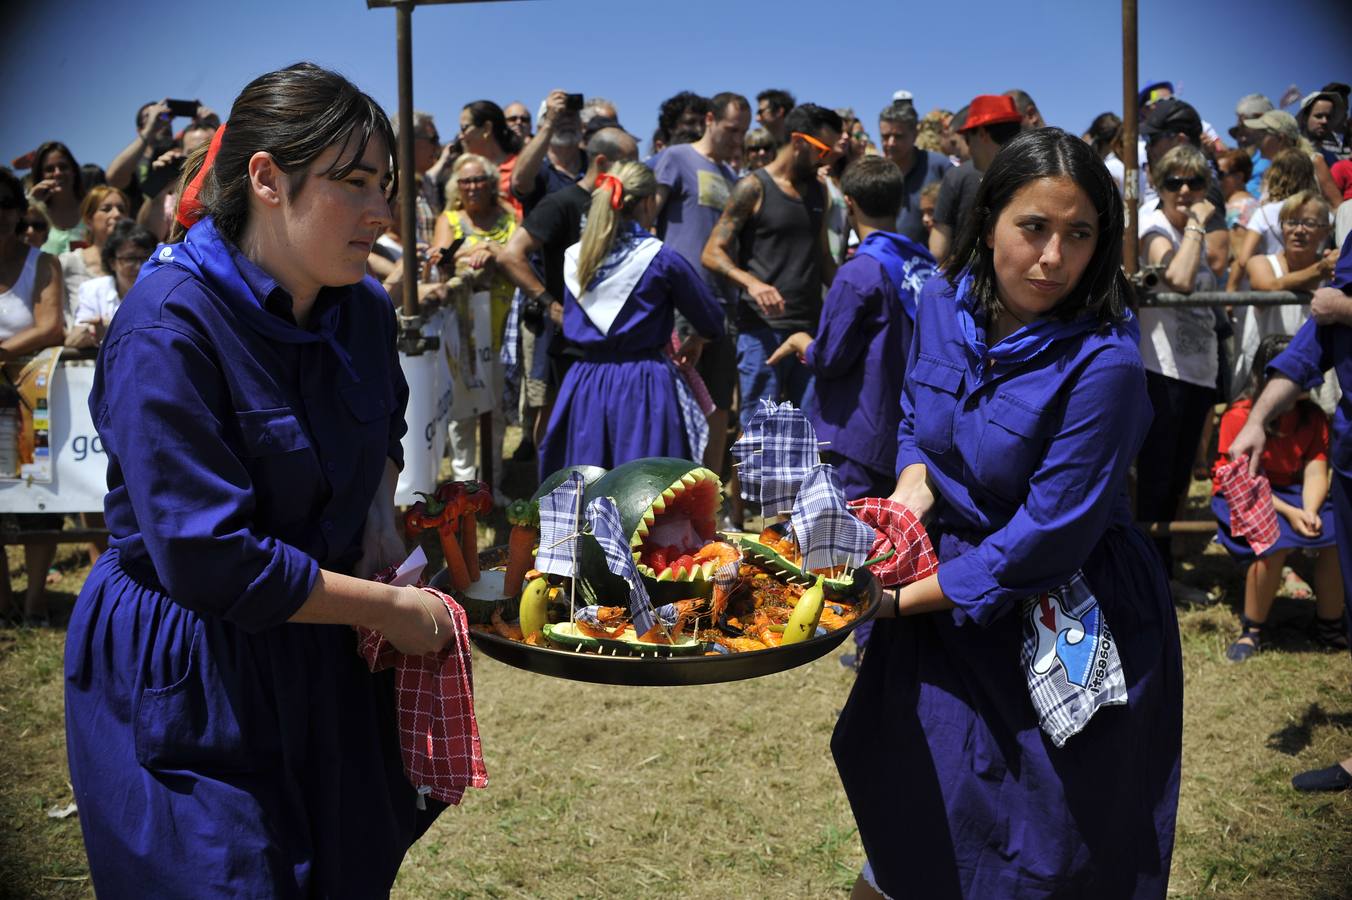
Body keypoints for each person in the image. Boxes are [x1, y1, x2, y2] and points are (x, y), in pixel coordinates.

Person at [63, 63, 467, 895]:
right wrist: (392, 608)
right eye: (352, 183)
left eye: (386, 185)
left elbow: (378, 435)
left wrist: (385, 531)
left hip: (322, 654)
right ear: (266, 180)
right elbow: (208, 558)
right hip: (193, 669)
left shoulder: (360, 309)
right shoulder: (169, 326)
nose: (382, 211)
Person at [833, 127, 1181, 897]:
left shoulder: (1107, 364)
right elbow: (917, 426)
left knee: (1035, 847)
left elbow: (1044, 539)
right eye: (1033, 228)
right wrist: (904, 503)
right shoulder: (939, 303)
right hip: (938, 606)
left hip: (1062, 606)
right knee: (911, 813)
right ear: (988, 221)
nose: (1053, 258)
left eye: (1080, 234)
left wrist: (890, 601)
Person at [1229, 227, 1352, 792]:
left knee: (1315, 537)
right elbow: (1315, 342)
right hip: (1340, 466)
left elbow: (1333, 313)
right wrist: (1258, 418)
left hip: (1323, 483)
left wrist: (1344, 306)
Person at [767, 156, 935, 500]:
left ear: (849, 203)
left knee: (852, 539)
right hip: (913, 433)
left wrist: (802, 342)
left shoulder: (858, 273)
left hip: (862, 433)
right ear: (901, 201)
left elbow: (830, 357)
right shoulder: (925, 266)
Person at [538, 161, 724, 473]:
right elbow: (711, 319)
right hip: (644, 383)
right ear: (649, 202)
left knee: (588, 480)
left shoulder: (578, 257)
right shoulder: (660, 258)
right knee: (644, 486)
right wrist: (696, 339)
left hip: (586, 380)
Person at [496, 128, 639, 456]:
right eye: (627, 162)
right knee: (557, 414)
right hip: (568, 338)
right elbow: (510, 255)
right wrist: (551, 305)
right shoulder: (561, 204)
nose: (635, 171)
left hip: (609, 337)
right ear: (602, 162)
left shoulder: (622, 206)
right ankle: (549, 492)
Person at [702, 104, 842, 430]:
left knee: (806, 436)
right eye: (822, 149)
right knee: (757, 434)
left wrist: (848, 295)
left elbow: (823, 257)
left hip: (808, 330)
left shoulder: (819, 191)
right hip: (759, 331)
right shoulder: (754, 187)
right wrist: (751, 283)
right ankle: (745, 485)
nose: (827, 159)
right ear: (798, 141)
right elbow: (712, 251)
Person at [1213, 335, 1344, 662]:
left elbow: (1316, 470)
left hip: (1292, 494)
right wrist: (1290, 512)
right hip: (1242, 493)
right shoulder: (1240, 415)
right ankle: (1252, 629)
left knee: (1336, 537)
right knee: (1271, 543)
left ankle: (1330, 622)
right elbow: (1239, 479)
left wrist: (1310, 510)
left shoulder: (1311, 416)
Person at [1134, 144, 1219, 580]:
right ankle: (1146, 576)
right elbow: (1181, 279)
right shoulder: (1155, 227)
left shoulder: (1187, 231)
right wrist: (1199, 224)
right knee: (1156, 481)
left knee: (1179, 481)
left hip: (1196, 371)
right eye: (1174, 182)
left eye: (1195, 182)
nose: (1185, 190)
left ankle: (1162, 575)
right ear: (1158, 186)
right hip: (1161, 371)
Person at [653, 92, 749, 476]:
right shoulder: (676, 158)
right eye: (730, 129)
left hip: (722, 305)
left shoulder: (731, 176)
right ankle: (672, 487)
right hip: (679, 301)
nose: (736, 140)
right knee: (681, 399)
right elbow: (649, 219)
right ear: (710, 119)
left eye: (742, 132)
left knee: (719, 402)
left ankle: (710, 495)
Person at [0, 167, 66, 624]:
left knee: (38, 505)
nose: (0, 214)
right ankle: (3, 601)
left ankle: (35, 599)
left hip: (30, 400)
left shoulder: (43, 262)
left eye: (7, 203)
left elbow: (50, 326)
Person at [432, 153, 517, 492]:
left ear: (491, 182)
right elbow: (439, 257)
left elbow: (519, 256)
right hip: (462, 330)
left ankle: (492, 485)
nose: (472, 187)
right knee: (462, 414)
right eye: (465, 181)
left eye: (479, 179)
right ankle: (465, 489)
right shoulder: (449, 218)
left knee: (495, 414)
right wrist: (473, 252)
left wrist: (494, 252)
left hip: (501, 326)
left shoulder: (508, 216)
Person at [928, 95, 1022, 263]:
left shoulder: (957, 176)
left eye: (967, 139)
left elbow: (937, 249)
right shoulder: (1039, 177)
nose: (968, 149)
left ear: (982, 133)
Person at [1227, 149, 1323, 293]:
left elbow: (1243, 259)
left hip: (1272, 282)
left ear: (1276, 174)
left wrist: (1231, 292)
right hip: (1314, 284)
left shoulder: (1265, 212)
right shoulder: (1322, 214)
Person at [69, 220, 157, 349]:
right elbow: (73, 339)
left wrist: (111, 329)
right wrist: (93, 334)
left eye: (146, 258)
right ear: (112, 263)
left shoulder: (163, 292)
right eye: (130, 259)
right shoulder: (92, 290)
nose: (139, 266)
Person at [136, 117, 221, 242]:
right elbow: (146, 237)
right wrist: (159, 189)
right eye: (191, 153)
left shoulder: (233, 187)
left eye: (205, 151)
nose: (200, 158)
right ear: (181, 153)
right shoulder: (168, 198)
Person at [877, 101, 951, 243]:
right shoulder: (875, 174)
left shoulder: (940, 167)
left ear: (915, 134)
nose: (891, 143)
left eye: (898, 136)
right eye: (885, 136)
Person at [1240, 109, 1342, 210]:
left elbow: (1338, 205)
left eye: (1261, 135)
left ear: (1280, 138)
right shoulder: (1269, 172)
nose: (1257, 141)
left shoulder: (1314, 162)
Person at [58, 185, 128, 330]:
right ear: (88, 220)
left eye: (121, 209)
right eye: (106, 209)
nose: (116, 214)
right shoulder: (68, 262)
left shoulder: (139, 262)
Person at [512, 90, 587, 217]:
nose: (567, 121)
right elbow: (520, 182)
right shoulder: (538, 167)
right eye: (560, 116)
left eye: (572, 115)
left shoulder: (593, 164)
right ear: (542, 127)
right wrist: (550, 122)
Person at [458, 100, 522, 218]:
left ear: (487, 128)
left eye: (464, 128)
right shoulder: (460, 171)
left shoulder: (519, 168)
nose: (460, 136)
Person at [25, 141, 86, 254]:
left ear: (74, 171)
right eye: (49, 169)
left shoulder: (91, 210)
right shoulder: (35, 218)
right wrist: (30, 203)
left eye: (63, 167)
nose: (57, 173)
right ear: (40, 176)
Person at [1298, 90, 1349, 167]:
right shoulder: (1290, 154)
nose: (1325, 121)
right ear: (1305, 118)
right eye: (1318, 116)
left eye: (1329, 117)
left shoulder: (1333, 160)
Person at [1217, 148, 1258, 234]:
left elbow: (1238, 247)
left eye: (1220, 174)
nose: (1216, 180)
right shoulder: (1253, 203)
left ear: (1239, 176)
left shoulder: (1238, 210)